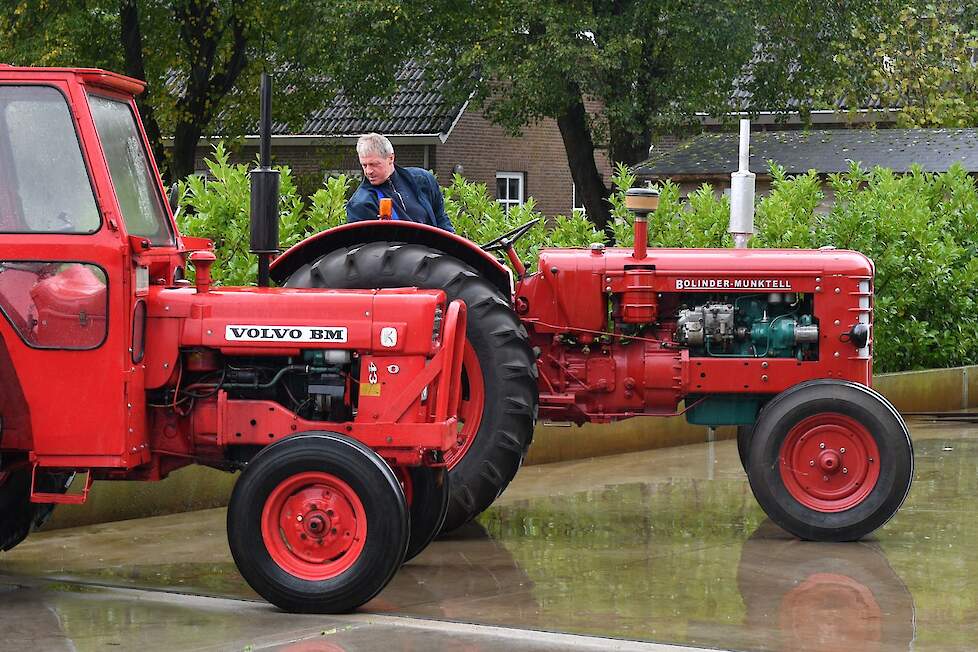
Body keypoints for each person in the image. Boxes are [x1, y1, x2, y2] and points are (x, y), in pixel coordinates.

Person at [345, 133, 454, 232]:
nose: (368, 171)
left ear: (391, 158)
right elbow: (368, 249)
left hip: (434, 251)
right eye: (364, 165)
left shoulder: (423, 180)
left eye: (374, 164)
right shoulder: (360, 204)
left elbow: (441, 219)